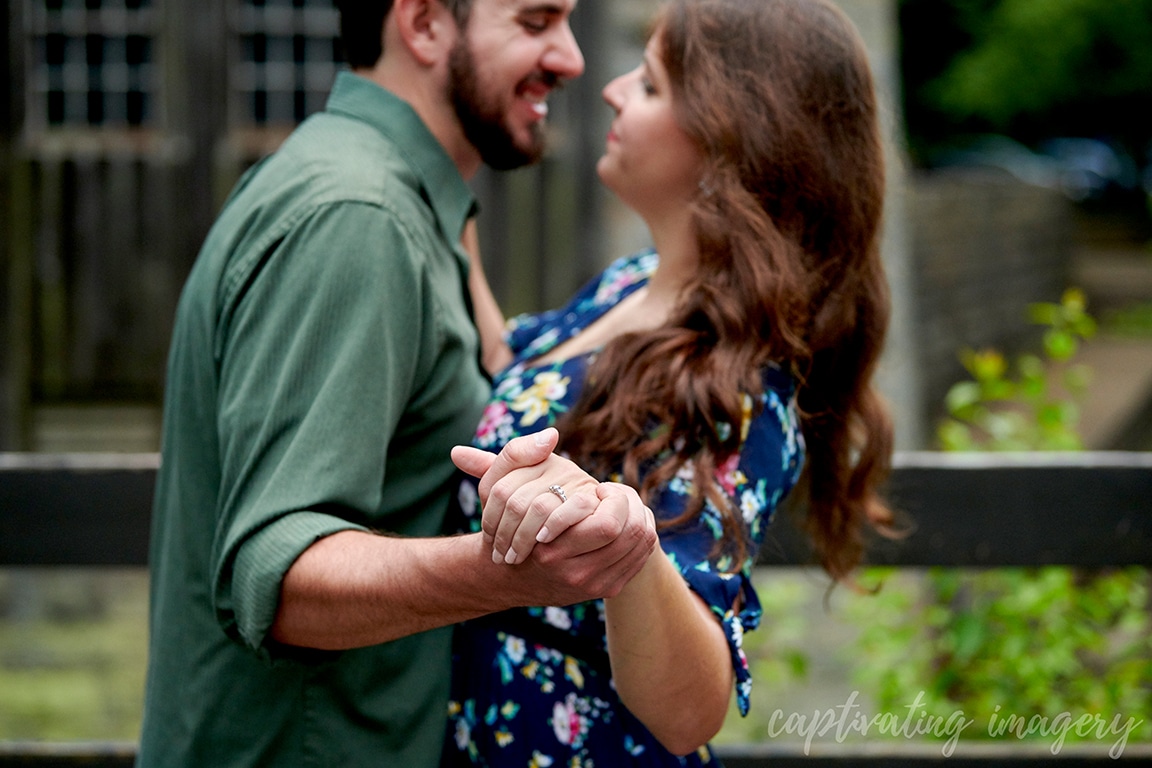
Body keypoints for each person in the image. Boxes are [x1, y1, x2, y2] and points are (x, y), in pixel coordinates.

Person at [135, 1, 660, 766]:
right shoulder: (359, 217)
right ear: (421, 25)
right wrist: (508, 571)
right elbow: (280, 574)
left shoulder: (390, 196)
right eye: (536, 21)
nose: (573, 60)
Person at [441, 0, 895, 764]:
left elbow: (690, 713)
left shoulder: (741, 387)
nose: (613, 91)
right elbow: (502, 367)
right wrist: (447, 165)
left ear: (728, 134)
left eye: (649, 85)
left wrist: (621, 535)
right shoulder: (630, 284)